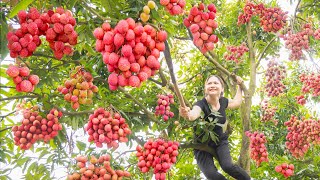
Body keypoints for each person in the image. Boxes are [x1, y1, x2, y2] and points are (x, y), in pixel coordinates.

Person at [179, 75, 250, 180]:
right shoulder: (200, 104)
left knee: (228, 166)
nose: (212, 85)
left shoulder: (223, 101)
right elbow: (193, 114)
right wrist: (187, 113)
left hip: (220, 141)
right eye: (209, 83)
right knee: (212, 175)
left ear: (222, 88)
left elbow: (236, 103)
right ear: (205, 88)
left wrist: (240, 86)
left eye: (215, 83)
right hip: (201, 145)